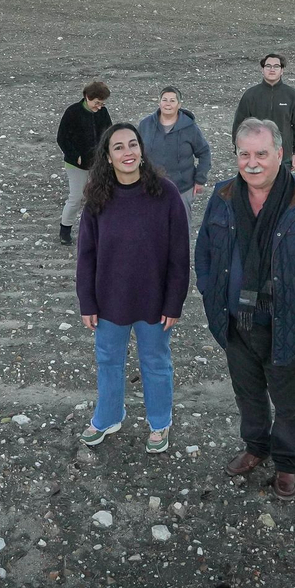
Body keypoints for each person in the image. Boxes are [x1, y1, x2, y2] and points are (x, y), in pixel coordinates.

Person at [197, 118, 295, 501]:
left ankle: (286, 464)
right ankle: (256, 446)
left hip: (287, 323)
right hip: (236, 321)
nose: (252, 163)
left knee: (290, 401)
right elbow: (205, 253)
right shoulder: (223, 195)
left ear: (280, 154)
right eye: (244, 154)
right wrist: (212, 293)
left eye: (261, 154)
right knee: (247, 393)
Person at [76, 124, 191, 454]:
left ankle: (159, 422)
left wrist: (174, 302)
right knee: (108, 360)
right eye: (118, 147)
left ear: (141, 150)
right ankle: (109, 416)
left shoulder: (165, 194)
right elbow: (86, 254)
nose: (127, 152)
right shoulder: (98, 198)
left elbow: (179, 255)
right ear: (107, 157)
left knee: (155, 362)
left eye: (132, 145)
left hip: (154, 301)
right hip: (109, 300)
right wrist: (87, 301)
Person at [135, 86, 212, 232]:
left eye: (172, 100)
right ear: (159, 103)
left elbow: (204, 152)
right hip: (151, 188)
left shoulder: (190, 128)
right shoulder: (146, 125)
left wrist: (200, 179)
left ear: (179, 104)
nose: (168, 104)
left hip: (182, 189)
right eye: (164, 100)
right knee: (152, 230)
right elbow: (135, 152)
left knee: (180, 231)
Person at [55, 81, 113, 245]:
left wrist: (109, 155)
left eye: (102, 104)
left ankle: (99, 230)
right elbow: (62, 138)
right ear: (87, 97)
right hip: (76, 165)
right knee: (76, 197)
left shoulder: (103, 112)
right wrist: (76, 157)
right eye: (97, 103)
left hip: (99, 164)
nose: (99, 107)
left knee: (100, 197)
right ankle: (65, 230)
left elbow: (109, 134)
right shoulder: (72, 112)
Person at [232, 54, 295, 169]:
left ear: (282, 70)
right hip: (256, 157)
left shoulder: (291, 95)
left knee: (282, 181)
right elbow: (239, 124)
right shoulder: (251, 95)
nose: (272, 69)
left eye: (276, 66)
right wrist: (239, 149)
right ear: (262, 69)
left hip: (283, 156)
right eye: (268, 66)